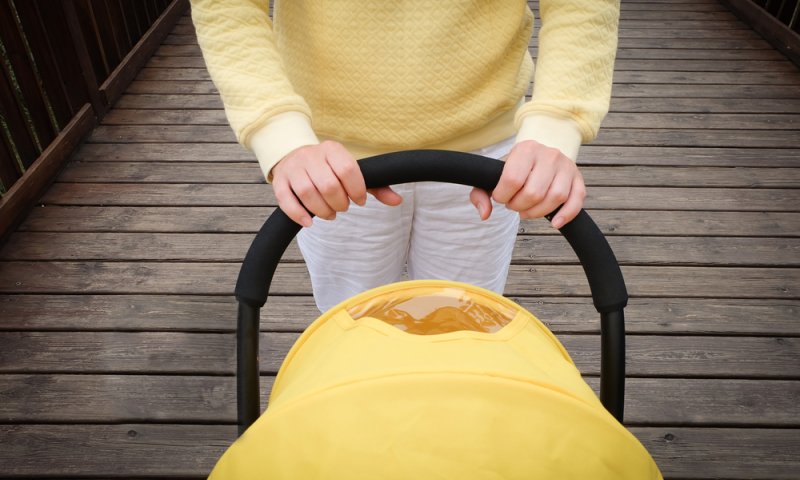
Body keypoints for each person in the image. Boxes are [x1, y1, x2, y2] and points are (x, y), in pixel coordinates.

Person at [191, 0, 620, 312]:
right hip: (332, 164)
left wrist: (555, 126)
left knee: (463, 322)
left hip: (486, 159)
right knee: (353, 320)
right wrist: (281, 134)